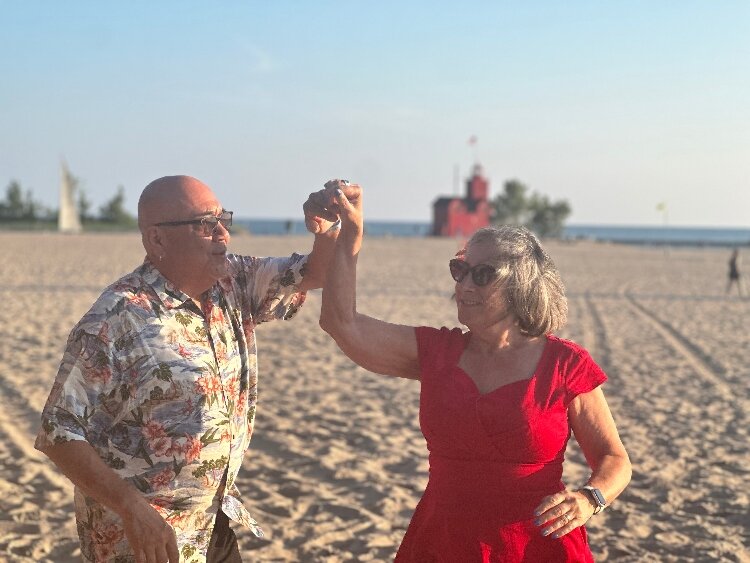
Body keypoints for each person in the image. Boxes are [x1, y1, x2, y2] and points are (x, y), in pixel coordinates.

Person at [35, 175, 358, 563]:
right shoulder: (117, 319)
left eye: (224, 219)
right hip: (141, 540)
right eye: (206, 224)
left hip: (213, 522)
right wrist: (132, 508)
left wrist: (327, 228)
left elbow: (315, 272)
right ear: (158, 240)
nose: (224, 233)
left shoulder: (233, 282)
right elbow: (58, 431)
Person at [319, 189, 632, 562]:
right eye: (460, 270)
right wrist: (345, 234)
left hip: (536, 545)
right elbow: (342, 323)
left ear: (520, 285)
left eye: (482, 275)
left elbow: (615, 459)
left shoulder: (564, 363)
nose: (464, 285)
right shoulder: (437, 352)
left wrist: (588, 499)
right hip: (444, 539)